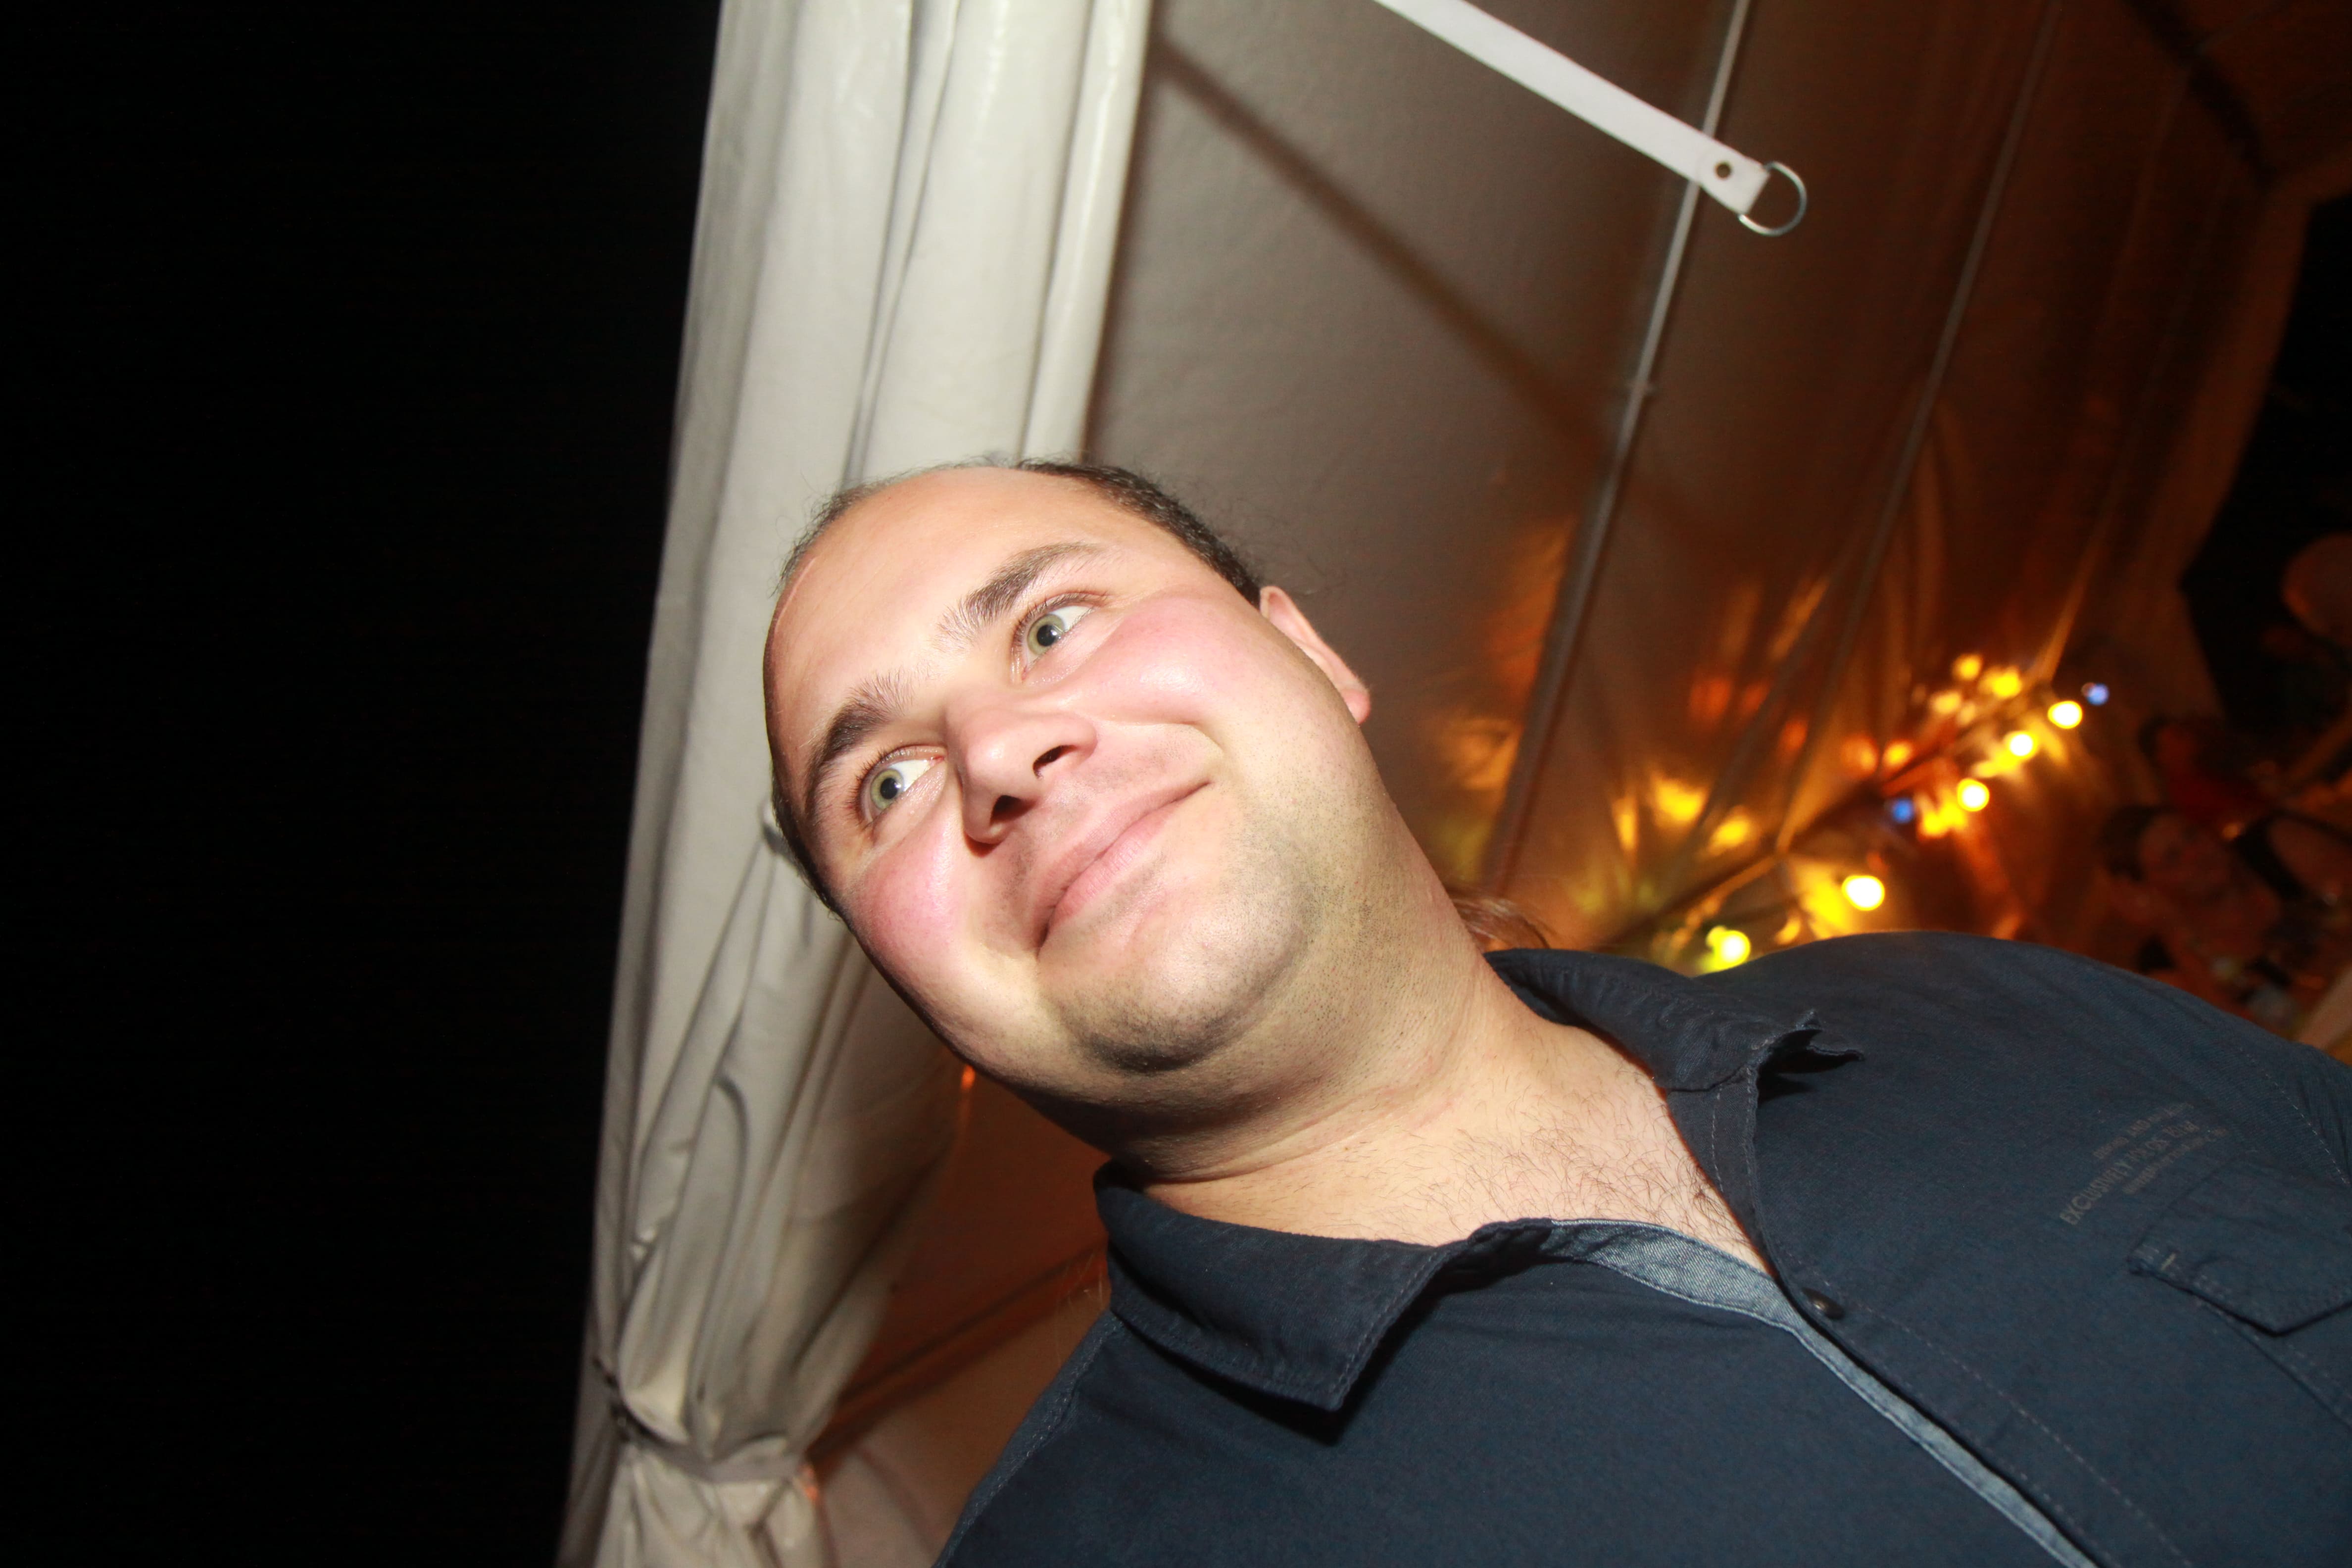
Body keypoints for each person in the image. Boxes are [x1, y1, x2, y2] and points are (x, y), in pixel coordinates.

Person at [763, 460, 2351, 1567]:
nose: (997, 755)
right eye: (884, 784)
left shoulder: (1957, 1003)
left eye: (1051, 623)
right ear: (906, 978)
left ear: (1307, 652)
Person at [2099, 802, 2352, 1035]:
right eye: (2173, 859)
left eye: (2192, 835)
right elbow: (2237, 1039)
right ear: (2148, 889)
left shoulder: (2277, 844)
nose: (2195, 855)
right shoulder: (2167, 965)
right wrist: (2175, 931)